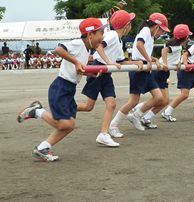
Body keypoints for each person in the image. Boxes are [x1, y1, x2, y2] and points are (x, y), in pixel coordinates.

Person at [17, 18, 105, 162]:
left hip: (68, 89)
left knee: (69, 126)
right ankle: (36, 111)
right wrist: (76, 61)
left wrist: (89, 73)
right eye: (101, 33)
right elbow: (58, 49)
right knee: (66, 124)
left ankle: (42, 148)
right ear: (90, 35)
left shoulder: (86, 49)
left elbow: (77, 70)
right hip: (61, 87)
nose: (102, 37)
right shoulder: (77, 43)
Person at [77, 10, 142, 147]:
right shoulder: (112, 34)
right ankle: (62, 107)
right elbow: (99, 46)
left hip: (106, 73)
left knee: (111, 103)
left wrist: (135, 62)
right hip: (98, 70)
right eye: (130, 23)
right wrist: (108, 62)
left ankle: (104, 134)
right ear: (126, 25)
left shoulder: (119, 41)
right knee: (88, 106)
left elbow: (121, 61)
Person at [109, 12, 170, 137]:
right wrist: (148, 59)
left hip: (144, 70)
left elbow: (143, 50)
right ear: (157, 27)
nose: (161, 35)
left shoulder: (149, 35)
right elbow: (139, 45)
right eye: (161, 31)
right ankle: (113, 125)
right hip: (138, 69)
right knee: (133, 101)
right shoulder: (146, 31)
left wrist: (153, 59)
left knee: (159, 97)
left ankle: (136, 115)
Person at [133, 24, 192, 128]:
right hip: (159, 72)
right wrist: (164, 63)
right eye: (188, 36)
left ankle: (145, 117)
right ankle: (139, 110)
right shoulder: (175, 45)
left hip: (163, 73)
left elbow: (173, 56)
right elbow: (164, 51)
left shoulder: (177, 45)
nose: (188, 38)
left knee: (164, 101)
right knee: (162, 100)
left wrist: (178, 63)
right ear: (185, 38)